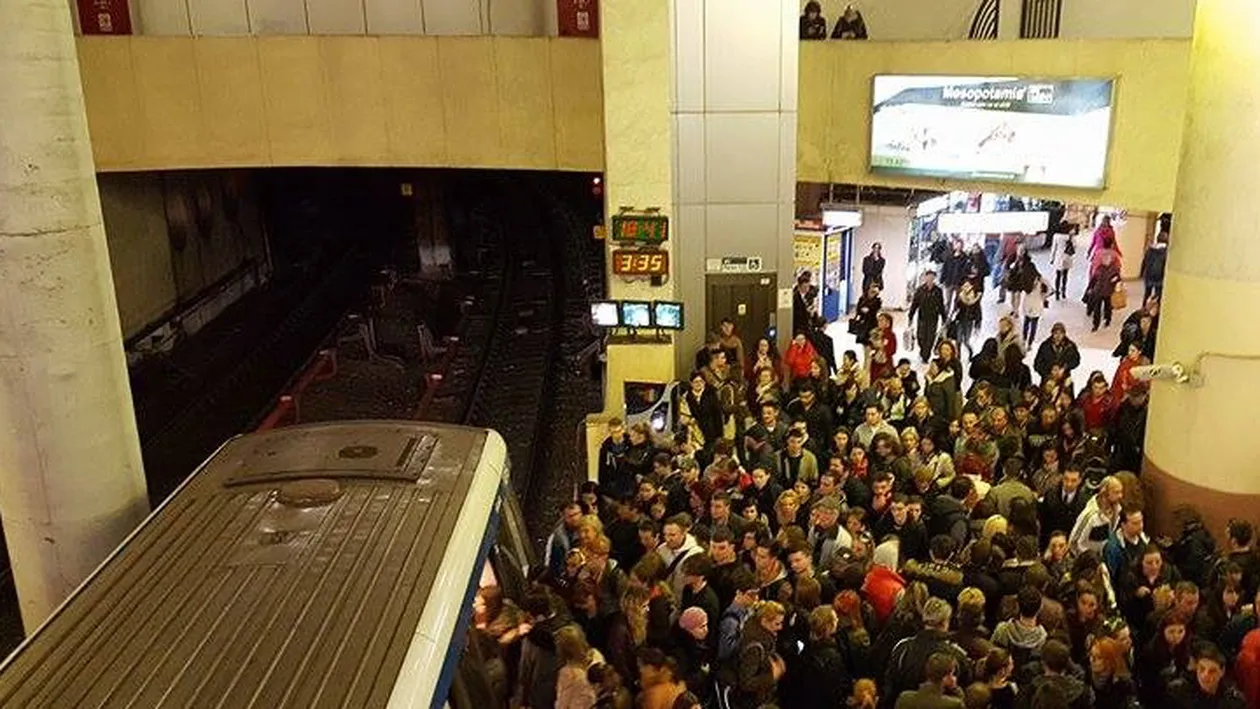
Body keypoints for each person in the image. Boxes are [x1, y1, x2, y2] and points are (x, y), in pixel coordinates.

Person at [892, 651, 965, 709]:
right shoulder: (954, 704)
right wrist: (955, 688)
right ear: (945, 678)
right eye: (952, 674)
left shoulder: (904, 698)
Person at [909, 271, 948, 364]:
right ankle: (922, 352)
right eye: (928, 277)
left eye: (932, 277)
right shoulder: (920, 290)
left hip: (933, 317)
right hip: (922, 317)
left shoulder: (938, 291)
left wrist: (944, 318)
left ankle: (926, 357)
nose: (930, 279)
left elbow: (941, 304)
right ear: (925, 278)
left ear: (934, 278)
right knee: (920, 337)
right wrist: (911, 315)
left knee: (930, 338)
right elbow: (915, 303)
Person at [1085, 250, 1121, 332]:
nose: (1105, 260)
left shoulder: (1114, 269)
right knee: (1097, 309)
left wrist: (1115, 280)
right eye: (1104, 259)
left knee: (1108, 307)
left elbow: (1118, 278)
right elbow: (1093, 280)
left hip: (1108, 292)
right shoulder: (1099, 268)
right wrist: (1090, 288)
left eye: (1107, 259)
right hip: (1098, 292)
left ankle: (1108, 320)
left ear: (1110, 260)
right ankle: (1095, 325)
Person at [1050, 224, 1077, 300]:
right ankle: (1063, 291)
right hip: (1067, 257)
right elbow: (1075, 246)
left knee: (1058, 275)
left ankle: (1057, 293)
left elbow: (1054, 248)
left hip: (1059, 257)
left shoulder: (1056, 236)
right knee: (1065, 275)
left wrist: (1052, 258)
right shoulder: (1070, 236)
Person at [794, 271, 820, 336]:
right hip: (799, 328)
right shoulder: (795, 297)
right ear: (799, 286)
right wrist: (808, 312)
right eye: (805, 287)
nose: (807, 289)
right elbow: (797, 314)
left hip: (808, 325)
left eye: (808, 287)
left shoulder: (808, 296)